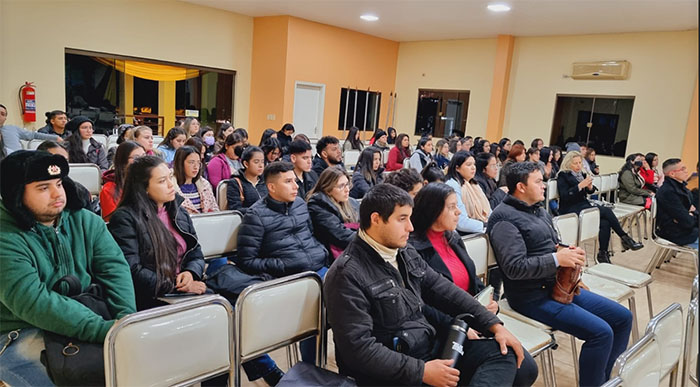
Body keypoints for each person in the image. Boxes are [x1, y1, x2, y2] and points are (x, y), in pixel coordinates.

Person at [324, 183, 524, 387]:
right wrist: (421, 371)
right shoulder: (346, 274)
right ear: (376, 219)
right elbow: (358, 350)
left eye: (410, 218)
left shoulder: (404, 251)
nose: (410, 227)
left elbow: (443, 290)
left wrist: (493, 325)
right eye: (402, 219)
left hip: (427, 347)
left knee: (511, 357)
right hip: (394, 371)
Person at [107, 156, 284, 385]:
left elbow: (195, 251)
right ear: (144, 188)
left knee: (235, 315)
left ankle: (263, 373)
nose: (171, 184)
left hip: (187, 289)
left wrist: (190, 272)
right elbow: (132, 271)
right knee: (221, 319)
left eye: (170, 177)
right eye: (162, 181)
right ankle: (271, 374)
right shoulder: (126, 218)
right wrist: (179, 285)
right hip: (155, 296)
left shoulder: (176, 209)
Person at [487, 162, 633, 386]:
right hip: (531, 297)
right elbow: (514, 267)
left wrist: (567, 253)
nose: (544, 185)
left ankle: (606, 379)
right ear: (521, 187)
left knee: (623, 318)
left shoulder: (539, 210)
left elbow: (552, 244)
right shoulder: (504, 218)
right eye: (538, 181)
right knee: (601, 333)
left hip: (559, 287)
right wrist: (557, 259)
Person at [0, 151, 136, 386]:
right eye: (43, 188)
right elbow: (34, 301)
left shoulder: (85, 220)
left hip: (88, 318)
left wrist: (125, 323)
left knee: (135, 371)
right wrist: (104, 331)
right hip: (22, 330)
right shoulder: (5, 237)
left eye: (59, 183)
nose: (57, 194)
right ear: (16, 194)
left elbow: (115, 270)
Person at [409, 182, 539, 387]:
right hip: (443, 327)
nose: (458, 211)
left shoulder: (452, 239)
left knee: (526, 367)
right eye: (451, 207)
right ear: (433, 211)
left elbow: (472, 280)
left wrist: (490, 301)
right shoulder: (414, 249)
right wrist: (457, 324)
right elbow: (421, 304)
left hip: (472, 318)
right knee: (513, 367)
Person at [236, 161, 328, 277]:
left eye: (294, 180)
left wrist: (322, 251)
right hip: (291, 277)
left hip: (320, 267)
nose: (296, 186)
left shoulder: (300, 204)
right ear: (272, 187)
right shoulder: (255, 216)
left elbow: (311, 235)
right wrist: (281, 265)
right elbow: (246, 261)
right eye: (288, 181)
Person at [557, 151, 643, 263]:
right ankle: (624, 237)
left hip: (583, 205)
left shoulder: (582, 175)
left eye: (580, 163)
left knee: (605, 223)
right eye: (575, 163)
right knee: (606, 211)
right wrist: (580, 186)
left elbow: (588, 192)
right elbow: (565, 196)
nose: (579, 166)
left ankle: (603, 253)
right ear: (568, 164)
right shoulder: (563, 175)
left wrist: (589, 187)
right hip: (570, 209)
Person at [307, 166, 360, 258]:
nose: (347, 189)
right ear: (327, 189)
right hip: (333, 255)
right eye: (341, 186)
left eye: (347, 184)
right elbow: (340, 235)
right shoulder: (318, 205)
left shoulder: (351, 202)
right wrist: (367, 240)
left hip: (352, 249)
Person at [656, 158, 698, 249]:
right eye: (682, 169)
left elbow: (689, 214)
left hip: (684, 229)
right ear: (672, 174)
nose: (686, 171)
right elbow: (687, 222)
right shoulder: (668, 192)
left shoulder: (681, 188)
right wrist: (690, 214)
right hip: (675, 233)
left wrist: (690, 214)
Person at [445, 151, 489, 234]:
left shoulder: (474, 184)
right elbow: (461, 222)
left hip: (481, 227)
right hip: (463, 233)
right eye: (469, 165)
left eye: (474, 164)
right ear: (457, 168)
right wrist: (485, 225)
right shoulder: (452, 185)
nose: (473, 168)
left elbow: (488, 211)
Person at [100, 141, 145, 221]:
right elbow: (113, 220)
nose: (143, 161)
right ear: (123, 161)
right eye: (136, 158)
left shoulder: (148, 182)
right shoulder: (109, 189)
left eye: (144, 156)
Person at [172, 146, 219, 214]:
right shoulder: (170, 186)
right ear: (180, 163)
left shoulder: (204, 184)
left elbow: (215, 210)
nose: (196, 166)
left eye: (198, 162)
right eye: (191, 162)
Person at [226, 146, 267, 214]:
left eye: (262, 162)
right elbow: (235, 209)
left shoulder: (265, 181)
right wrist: (258, 211)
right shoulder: (235, 182)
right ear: (246, 164)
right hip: (249, 220)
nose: (261, 165)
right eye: (256, 162)